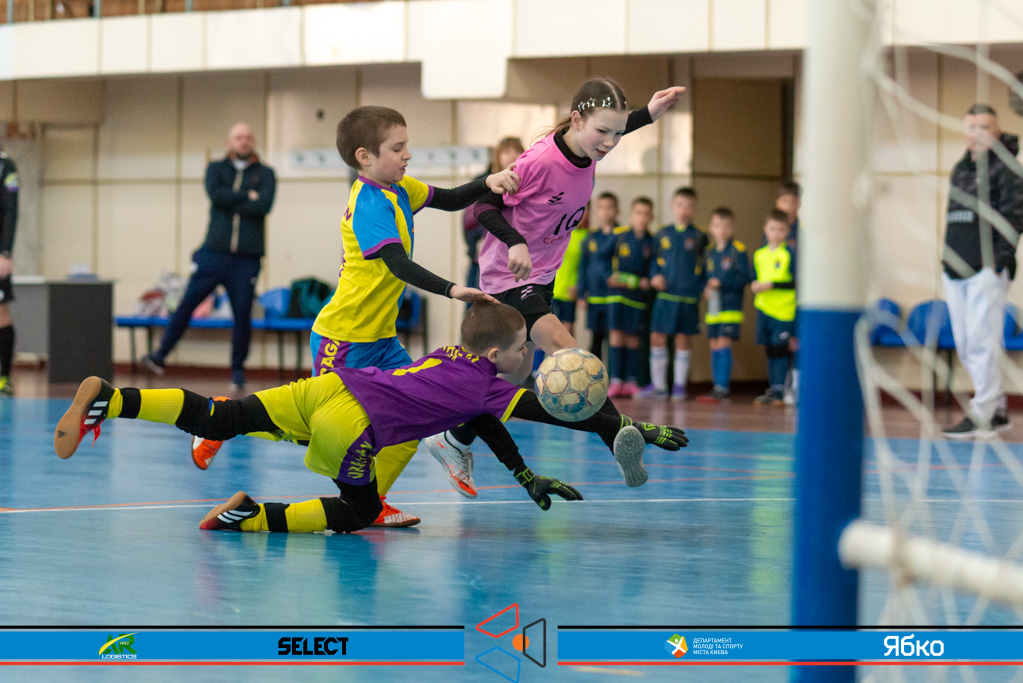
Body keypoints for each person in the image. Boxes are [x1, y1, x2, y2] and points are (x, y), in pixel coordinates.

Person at [54, 303, 689, 533]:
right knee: (358, 511)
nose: (532, 355)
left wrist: (523, 476)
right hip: (354, 426)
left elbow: (489, 423)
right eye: (526, 347)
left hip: (331, 386)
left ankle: (112, 398)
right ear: (498, 355)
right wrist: (629, 428)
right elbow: (555, 414)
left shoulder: (452, 356)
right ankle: (251, 516)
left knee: (222, 417)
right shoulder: (488, 385)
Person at [192, 106, 520, 528]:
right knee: (321, 428)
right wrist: (452, 289)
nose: (407, 155)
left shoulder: (400, 188)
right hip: (344, 338)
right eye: (397, 148)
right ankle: (224, 418)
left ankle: (375, 502)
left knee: (410, 419)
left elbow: (452, 198)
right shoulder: (368, 203)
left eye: (406, 146)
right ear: (365, 156)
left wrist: (487, 182)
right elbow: (398, 264)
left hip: (382, 340)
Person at [425, 78, 686, 488]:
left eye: (618, 134)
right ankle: (618, 434)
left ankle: (453, 438)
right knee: (568, 350)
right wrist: (515, 242)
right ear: (576, 120)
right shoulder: (540, 161)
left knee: (509, 378)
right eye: (603, 132)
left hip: (543, 277)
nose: (610, 143)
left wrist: (648, 115)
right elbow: (483, 207)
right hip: (509, 277)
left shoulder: (590, 147)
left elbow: (613, 124)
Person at [141, 123, 276, 390]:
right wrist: (246, 196)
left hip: (246, 259)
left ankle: (237, 371)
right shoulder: (216, 169)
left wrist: (234, 199)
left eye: (248, 137)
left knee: (242, 315)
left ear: (253, 141)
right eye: (239, 137)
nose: (244, 141)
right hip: (213, 253)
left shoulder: (265, 173)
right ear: (230, 142)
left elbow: (264, 204)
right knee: (187, 303)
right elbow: (216, 195)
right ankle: (160, 355)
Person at [941, 104, 1023, 440]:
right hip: (954, 268)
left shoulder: (1008, 170)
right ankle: (998, 408)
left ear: (997, 132)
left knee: (981, 342)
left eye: (984, 127)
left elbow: (1015, 219)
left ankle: (984, 412)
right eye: (970, 126)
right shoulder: (960, 169)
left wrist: (997, 262)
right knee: (965, 343)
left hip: (986, 270)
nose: (976, 133)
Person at [640, 187, 707, 401]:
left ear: (695, 208)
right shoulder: (662, 233)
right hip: (665, 296)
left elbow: (706, 266)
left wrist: (702, 287)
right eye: (680, 205)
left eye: (689, 206)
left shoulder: (700, 236)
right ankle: (659, 386)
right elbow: (654, 262)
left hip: (687, 297)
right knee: (657, 337)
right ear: (672, 206)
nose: (684, 209)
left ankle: (679, 386)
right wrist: (654, 276)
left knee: (683, 339)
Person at [696, 207, 749, 403]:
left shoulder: (738, 250)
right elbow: (703, 276)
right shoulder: (708, 252)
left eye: (727, 226)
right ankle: (716, 386)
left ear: (733, 228)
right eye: (718, 226)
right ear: (711, 228)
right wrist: (705, 288)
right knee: (714, 343)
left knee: (724, 342)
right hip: (713, 307)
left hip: (730, 306)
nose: (722, 230)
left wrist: (722, 283)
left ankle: (722, 387)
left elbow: (744, 278)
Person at [606, 197, 655, 397]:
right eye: (638, 212)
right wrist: (619, 278)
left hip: (638, 299)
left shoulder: (652, 242)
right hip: (617, 297)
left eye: (646, 213)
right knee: (616, 336)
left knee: (633, 338)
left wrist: (644, 281)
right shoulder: (619, 237)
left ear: (651, 217)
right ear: (630, 215)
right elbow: (605, 265)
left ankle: (631, 381)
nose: (641, 217)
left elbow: (652, 274)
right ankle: (616, 380)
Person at [464, 138, 525, 294]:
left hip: (516, 253)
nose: (513, 155)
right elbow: (469, 221)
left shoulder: (527, 184)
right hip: (486, 253)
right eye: (507, 151)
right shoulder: (483, 182)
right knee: (482, 302)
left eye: (517, 151)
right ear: (497, 156)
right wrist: (475, 245)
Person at [751, 210, 797, 406]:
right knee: (769, 349)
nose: (776, 233)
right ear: (765, 230)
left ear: (787, 231)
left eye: (781, 229)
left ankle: (780, 390)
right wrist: (754, 284)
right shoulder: (759, 254)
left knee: (780, 349)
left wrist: (772, 285)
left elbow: (796, 282)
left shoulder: (789, 254)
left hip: (783, 310)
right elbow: (754, 276)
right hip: (764, 309)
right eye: (772, 229)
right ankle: (773, 388)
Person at [578, 192, 625, 361]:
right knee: (596, 338)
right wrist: (581, 293)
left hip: (614, 295)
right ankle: (595, 374)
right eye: (602, 208)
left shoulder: (623, 235)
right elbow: (583, 266)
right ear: (596, 211)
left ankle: (614, 375)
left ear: (617, 210)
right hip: (594, 295)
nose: (605, 212)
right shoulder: (590, 236)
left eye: (609, 208)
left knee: (614, 339)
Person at [774, 181, 801, 405]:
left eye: (792, 202)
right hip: (775, 301)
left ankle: (796, 387)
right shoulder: (772, 232)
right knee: (777, 345)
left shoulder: (803, 233)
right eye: (784, 201)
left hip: (796, 297)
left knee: (795, 341)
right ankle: (778, 387)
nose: (788, 206)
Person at [550, 201, 590, 337]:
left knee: (566, 333)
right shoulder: (556, 233)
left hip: (570, 291)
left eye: (584, 210)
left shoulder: (587, 237)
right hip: (551, 290)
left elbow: (586, 266)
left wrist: (579, 287)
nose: (579, 214)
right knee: (547, 333)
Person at [0, 148, 18, 397]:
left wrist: (5, 252)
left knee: (1, 313)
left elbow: (11, 209)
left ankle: (4, 377)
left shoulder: (5, 165)